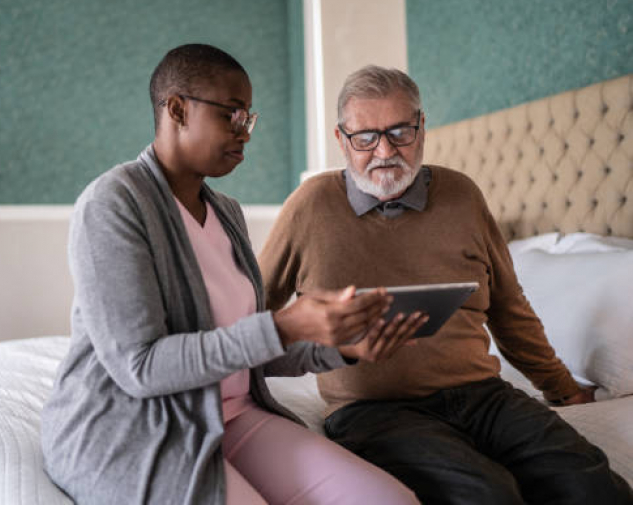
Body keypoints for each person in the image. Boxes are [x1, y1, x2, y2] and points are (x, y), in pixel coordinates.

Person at [40, 45, 426, 505]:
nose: (245, 133)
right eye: (232, 115)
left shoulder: (226, 213)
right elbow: (139, 368)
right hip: (137, 422)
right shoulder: (114, 204)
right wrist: (284, 324)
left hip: (234, 415)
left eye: (249, 119)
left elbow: (247, 347)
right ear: (178, 109)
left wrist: (338, 347)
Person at [258, 65, 633, 505]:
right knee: (488, 495)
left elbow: (509, 309)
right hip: (374, 411)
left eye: (400, 132)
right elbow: (254, 317)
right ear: (341, 140)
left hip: (483, 395)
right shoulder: (310, 206)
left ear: (422, 128)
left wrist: (561, 387)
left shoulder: (462, 195)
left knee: (589, 484)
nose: (384, 150)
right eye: (365, 137)